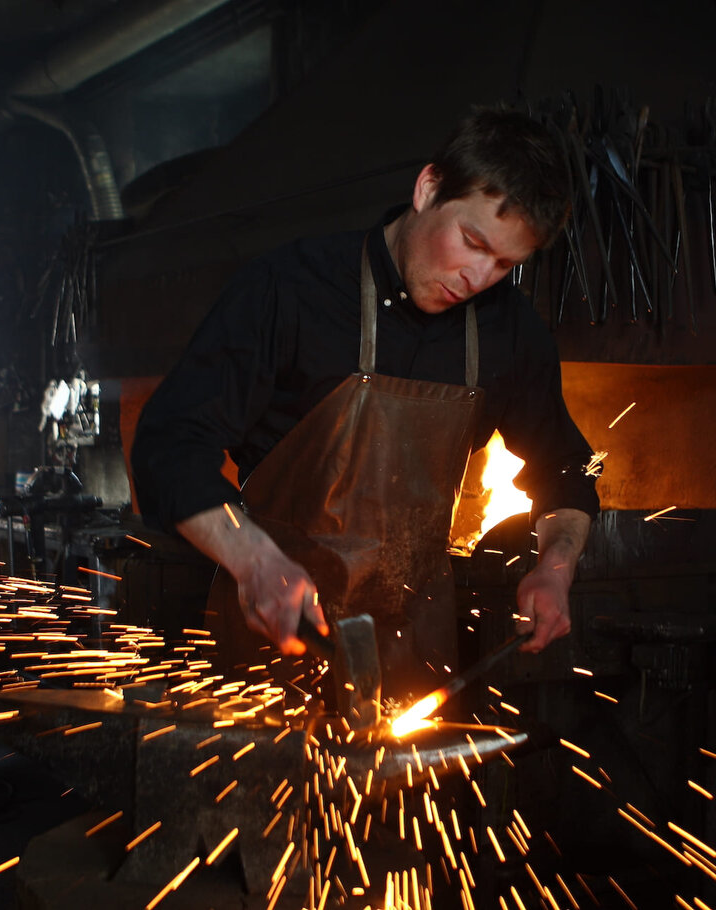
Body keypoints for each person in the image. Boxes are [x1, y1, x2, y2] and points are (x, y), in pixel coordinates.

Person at [131, 107, 600, 698]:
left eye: (505, 264)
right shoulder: (292, 290)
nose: (479, 276)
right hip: (273, 645)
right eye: (472, 241)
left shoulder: (510, 330)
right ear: (429, 189)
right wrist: (253, 560)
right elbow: (169, 445)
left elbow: (567, 470)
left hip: (418, 661)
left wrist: (555, 568)